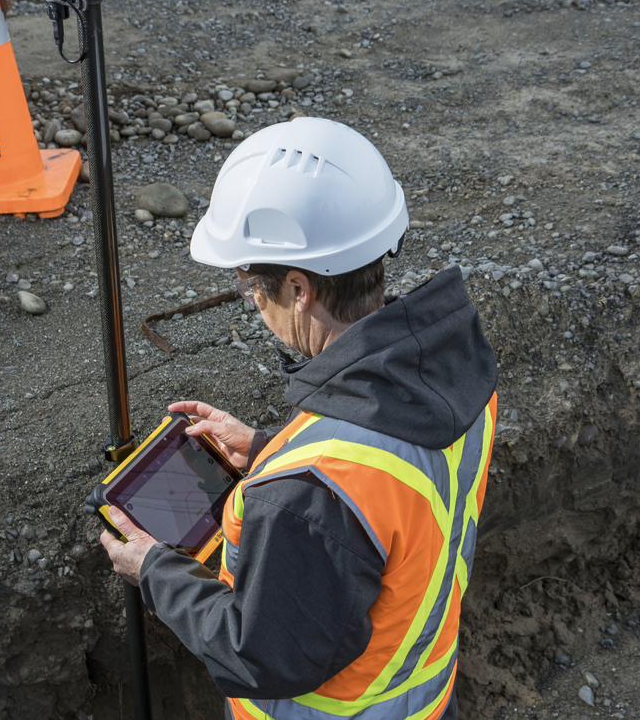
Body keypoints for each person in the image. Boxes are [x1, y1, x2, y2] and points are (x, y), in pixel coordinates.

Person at [100, 117, 498, 720]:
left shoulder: (305, 494)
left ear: (298, 288)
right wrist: (266, 450)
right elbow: (389, 500)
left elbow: (257, 655)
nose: (254, 304)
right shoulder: (453, 374)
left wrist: (154, 570)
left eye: (249, 288)